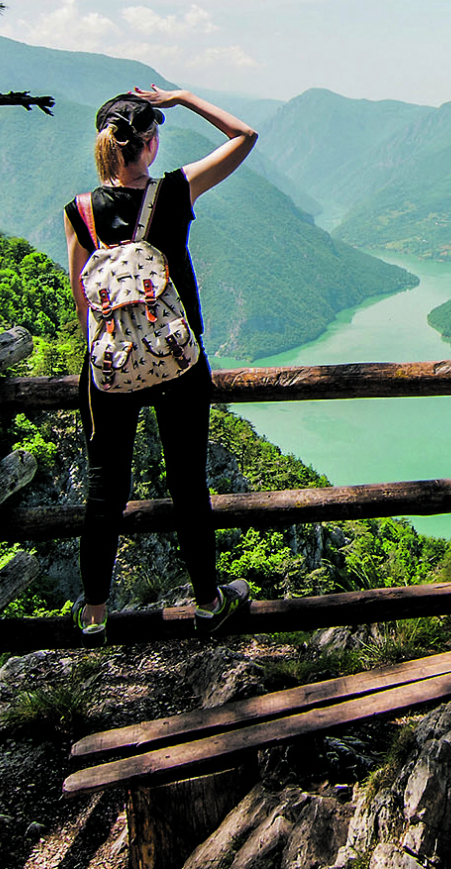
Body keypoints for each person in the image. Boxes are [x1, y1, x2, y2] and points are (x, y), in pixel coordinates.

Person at [64, 86, 258, 635]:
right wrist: (185, 96)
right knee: (188, 483)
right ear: (149, 144)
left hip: (109, 367)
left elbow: (83, 295)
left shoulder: (79, 211)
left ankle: (95, 616)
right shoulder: (175, 191)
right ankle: (206, 604)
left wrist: (104, 361)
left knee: (105, 488)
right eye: (156, 136)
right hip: (178, 361)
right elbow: (245, 136)